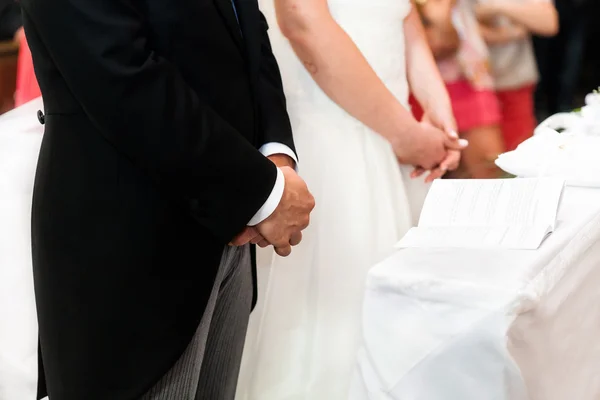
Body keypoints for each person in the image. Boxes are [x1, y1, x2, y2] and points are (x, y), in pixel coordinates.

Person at [21, 0, 315, 399]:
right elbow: (116, 71)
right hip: (129, 235)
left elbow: (246, 23)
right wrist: (264, 191)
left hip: (233, 222)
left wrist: (274, 153)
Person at [236, 0, 467, 398]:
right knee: (331, 338)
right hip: (334, 141)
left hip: (392, 136)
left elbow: (403, 12)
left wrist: (434, 103)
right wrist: (406, 135)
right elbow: (303, 22)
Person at [410, 0, 505, 178]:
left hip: (470, 80)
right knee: (436, 174)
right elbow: (440, 44)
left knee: (488, 169)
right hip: (423, 89)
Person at [475, 0, 558, 151]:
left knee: (522, 151)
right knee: (484, 164)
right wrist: (510, 32)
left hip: (514, 81)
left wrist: (496, 6)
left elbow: (549, 22)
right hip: (469, 86)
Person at [533, 0, 592, 118]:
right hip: (544, 10)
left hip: (577, 8)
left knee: (571, 59)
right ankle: (543, 106)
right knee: (543, 58)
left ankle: (563, 106)